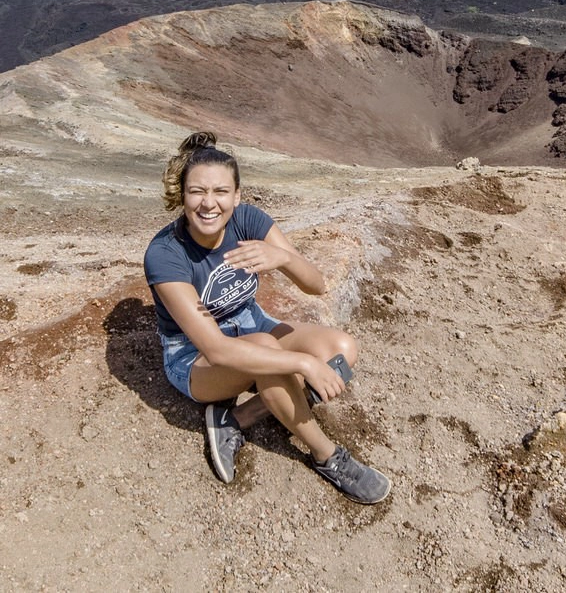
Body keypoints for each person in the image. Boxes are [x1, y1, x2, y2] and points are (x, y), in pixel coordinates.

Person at [143, 131, 390, 504]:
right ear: (183, 194)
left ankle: (234, 421)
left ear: (237, 196)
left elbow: (317, 285)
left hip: (250, 321)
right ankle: (328, 457)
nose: (209, 204)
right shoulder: (165, 254)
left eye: (221, 192)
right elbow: (217, 348)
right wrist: (302, 363)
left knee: (342, 347)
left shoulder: (249, 221)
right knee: (268, 353)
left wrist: (285, 259)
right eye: (197, 192)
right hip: (192, 358)